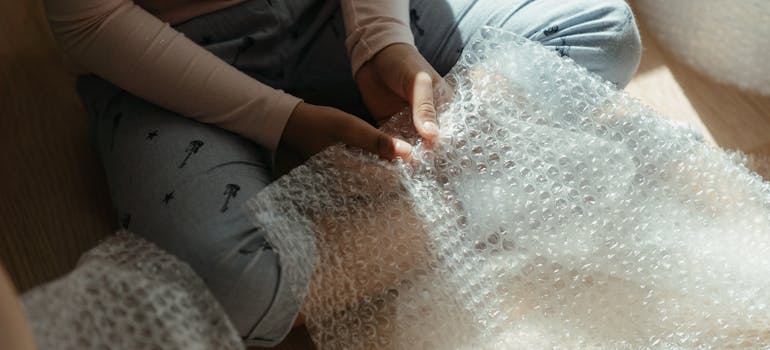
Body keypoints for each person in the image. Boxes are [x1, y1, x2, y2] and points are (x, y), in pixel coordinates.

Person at [44, 0, 641, 346]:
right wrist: (283, 120)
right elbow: (89, 20)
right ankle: (501, 186)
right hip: (165, 51)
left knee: (601, 30)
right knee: (228, 289)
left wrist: (381, 40)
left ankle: (463, 175)